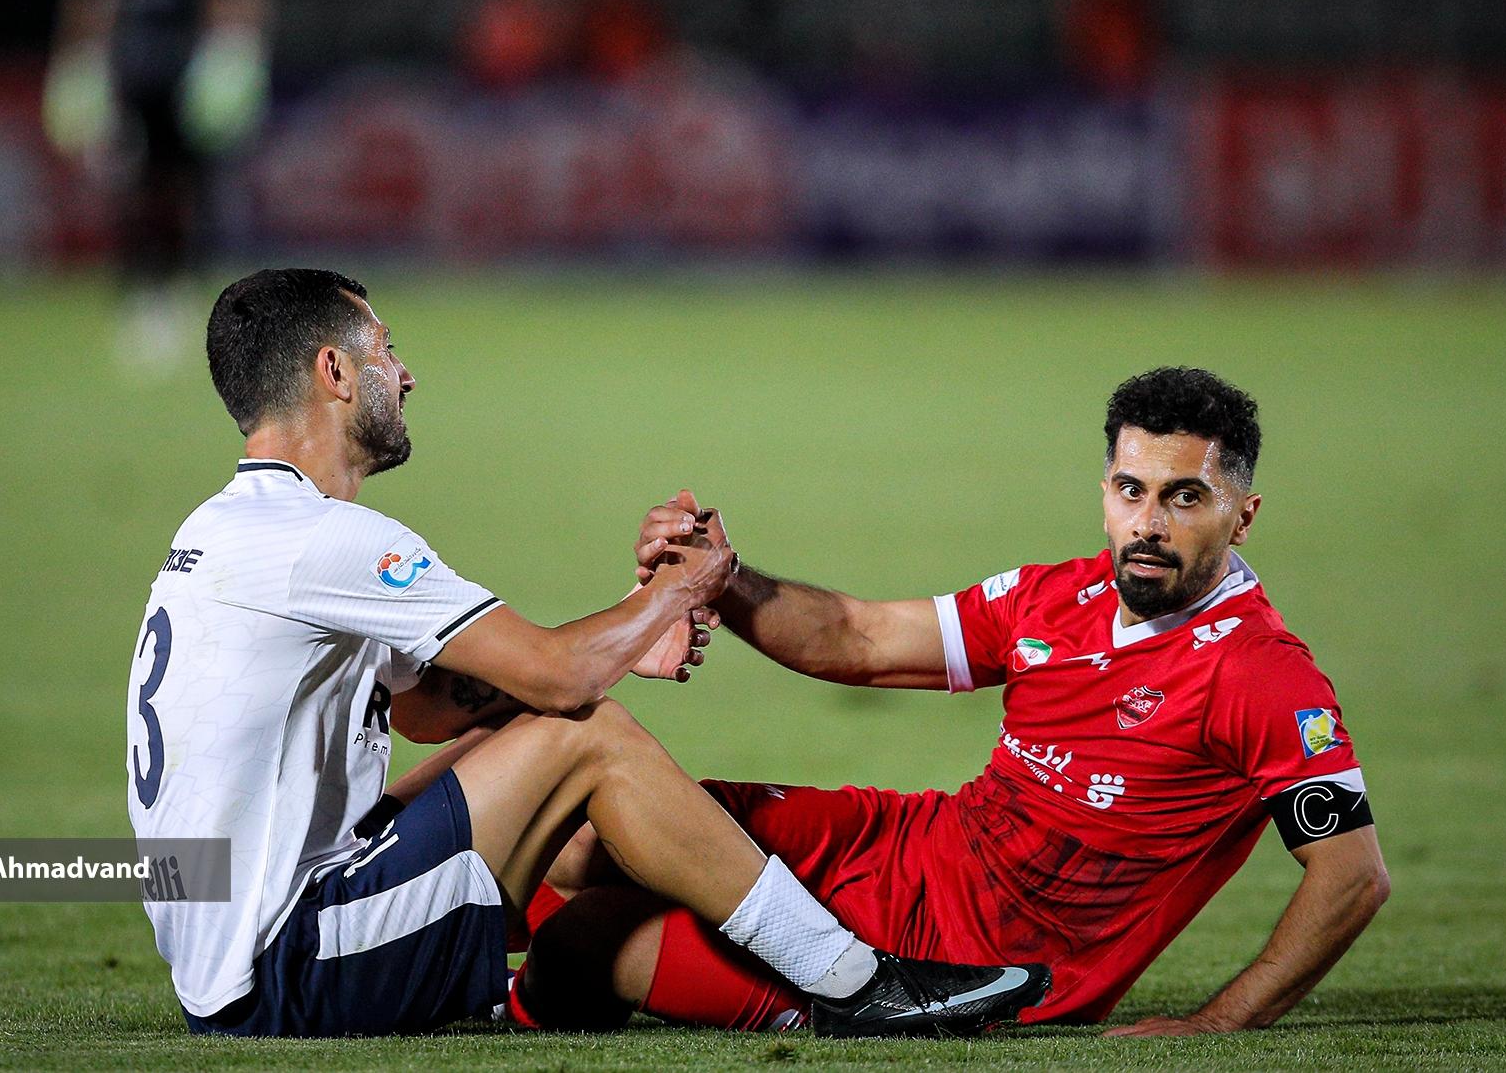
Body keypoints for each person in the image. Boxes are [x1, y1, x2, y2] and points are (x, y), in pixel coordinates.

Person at [125, 267, 1050, 1040]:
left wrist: (623, 639)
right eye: (385, 350)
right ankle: (855, 981)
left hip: (237, 949)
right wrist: (681, 587)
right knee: (588, 733)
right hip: (286, 971)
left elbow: (427, 708)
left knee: (545, 739)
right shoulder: (327, 539)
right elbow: (563, 679)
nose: (406, 375)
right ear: (333, 370)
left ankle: (582, 973)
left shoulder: (227, 528)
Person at [519, 367, 1389, 1037]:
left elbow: (1352, 876)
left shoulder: (1258, 670)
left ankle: (509, 1000)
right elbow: (858, 637)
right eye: (1133, 489)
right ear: (1106, 492)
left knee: (588, 933)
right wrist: (721, 576)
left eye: (1185, 497)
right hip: (905, 844)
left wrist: (1219, 1021)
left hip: (969, 959)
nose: (1150, 523)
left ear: (1243, 515)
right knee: (581, 834)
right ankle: (482, 968)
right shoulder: (1056, 596)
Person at [51, 0, 269, 364]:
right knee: (131, 182)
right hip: (130, 64)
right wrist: (76, 60)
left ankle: (188, 287)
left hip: (188, 65)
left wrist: (235, 50)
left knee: (188, 180)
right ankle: (138, 292)